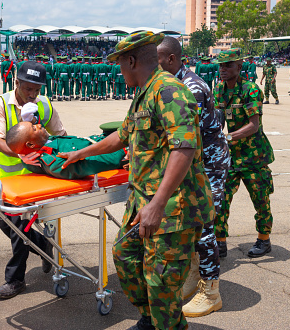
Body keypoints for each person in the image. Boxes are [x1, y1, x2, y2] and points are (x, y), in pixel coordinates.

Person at [59, 31, 214, 330]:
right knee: (125, 255)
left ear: (131, 61)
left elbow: (185, 147)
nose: (119, 71)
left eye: (120, 64)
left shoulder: (170, 91)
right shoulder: (144, 92)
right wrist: (81, 153)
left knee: (162, 285)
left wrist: (157, 204)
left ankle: (167, 324)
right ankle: (150, 319)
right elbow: (123, 134)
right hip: (146, 200)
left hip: (173, 208)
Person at [157, 36, 229, 318]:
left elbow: (186, 138)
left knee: (204, 224)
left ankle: (210, 292)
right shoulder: (172, 84)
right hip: (194, 162)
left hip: (208, 163)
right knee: (189, 222)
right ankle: (194, 275)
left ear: (171, 59)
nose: (154, 65)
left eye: (158, 60)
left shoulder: (192, 89)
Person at [0, 60, 66, 299]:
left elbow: (61, 134)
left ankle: (15, 280)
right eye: (28, 88)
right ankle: (43, 246)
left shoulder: (44, 105)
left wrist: (54, 150)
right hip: (6, 179)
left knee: (20, 227)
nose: (32, 95)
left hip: (34, 180)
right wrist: (21, 152)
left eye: (37, 89)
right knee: (5, 224)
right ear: (17, 82)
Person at [213, 48, 275, 258]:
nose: (223, 69)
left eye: (228, 65)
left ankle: (264, 240)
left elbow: (253, 125)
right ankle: (219, 242)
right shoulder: (219, 90)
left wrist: (226, 138)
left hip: (253, 156)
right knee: (221, 199)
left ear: (239, 67)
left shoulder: (251, 90)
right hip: (230, 157)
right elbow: (217, 120)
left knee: (260, 199)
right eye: (221, 65)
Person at [5, 121, 126, 179]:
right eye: (34, 128)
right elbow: (94, 162)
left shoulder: (43, 143)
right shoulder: (53, 161)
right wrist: (124, 150)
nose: (39, 125)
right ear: (30, 144)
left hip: (103, 140)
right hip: (117, 151)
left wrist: (21, 156)